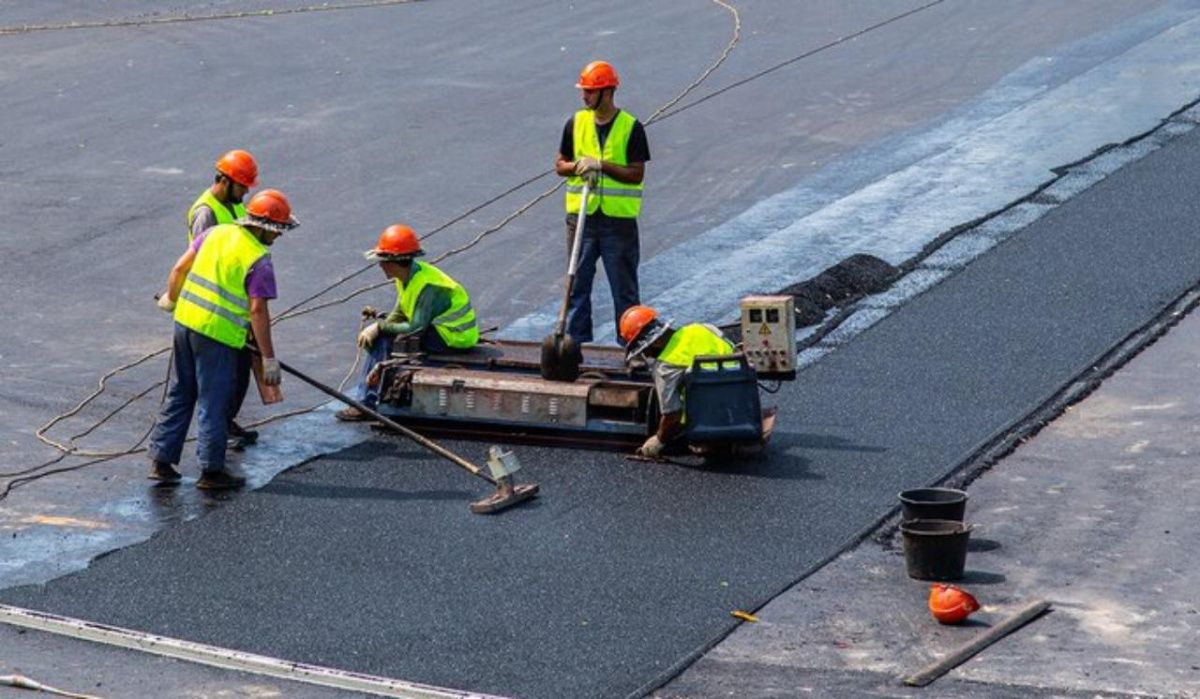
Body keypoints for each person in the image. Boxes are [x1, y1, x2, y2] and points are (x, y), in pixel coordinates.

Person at [149, 189, 298, 490]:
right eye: (278, 231)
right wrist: (268, 358)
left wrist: (171, 298)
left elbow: (180, 268)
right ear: (265, 227)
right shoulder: (259, 259)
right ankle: (211, 471)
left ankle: (161, 461)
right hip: (215, 337)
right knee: (213, 401)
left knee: (181, 391)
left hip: (184, 323)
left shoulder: (216, 233)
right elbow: (258, 311)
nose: (279, 237)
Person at [336, 224, 479, 421]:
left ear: (395, 261)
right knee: (383, 334)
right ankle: (373, 391)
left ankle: (366, 403)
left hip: (454, 337)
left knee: (385, 339)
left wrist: (379, 327)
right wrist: (380, 326)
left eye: (383, 261)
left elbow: (416, 327)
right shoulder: (406, 276)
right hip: (439, 330)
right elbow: (401, 311)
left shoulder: (428, 286)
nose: (380, 265)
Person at [554, 60, 650, 344]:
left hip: (616, 223)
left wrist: (601, 165)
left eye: (589, 91)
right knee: (577, 286)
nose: (584, 96)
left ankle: (631, 345)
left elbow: (636, 173)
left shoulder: (631, 127)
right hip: (581, 219)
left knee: (624, 291)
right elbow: (560, 164)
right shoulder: (576, 123)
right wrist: (577, 167)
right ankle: (575, 346)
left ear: (607, 93)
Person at [187, 149, 260, 450]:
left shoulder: (233, 206)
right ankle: (217, 435)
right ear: (224, 181)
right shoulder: (206, 212)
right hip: (214, 310)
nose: (244, 193)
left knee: (240, 371)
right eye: (242, 186)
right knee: (220, 379)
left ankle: (226, 422)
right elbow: (203, 260)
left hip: (234, 305)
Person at [619, 305, 736, 458]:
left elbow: (672, 414)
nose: (646, 354)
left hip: (708, 420)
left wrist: (658, 440)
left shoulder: (665, 367)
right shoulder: (700, 328)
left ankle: (706, 440)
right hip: (739, 403)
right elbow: (734, 349)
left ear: (652, 342)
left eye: (643, 350)